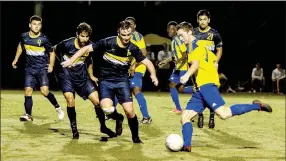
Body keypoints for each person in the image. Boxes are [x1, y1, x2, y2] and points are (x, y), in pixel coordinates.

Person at [177, 22, 272, 152]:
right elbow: (212, 61)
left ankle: (257, 106)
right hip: (201, 87)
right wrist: (214, 66)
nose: (180, 39)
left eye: (181, 35)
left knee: (224, 113)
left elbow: (196, 64)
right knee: (185, 118)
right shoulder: (201, 45)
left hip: (206, 85)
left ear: (189, 32)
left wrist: (186, 75)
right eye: (178, 36)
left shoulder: (193, 47)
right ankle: (187, 145)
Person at [61, 20, 158, 143]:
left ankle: (136, 138)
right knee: (107, 109)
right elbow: (85, 49)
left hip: (122, 81)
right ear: (118, 33)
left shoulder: (133, 48)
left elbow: (148, 62)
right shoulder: (108, 42)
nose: (126, 37)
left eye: (129, 34)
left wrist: (153, 75)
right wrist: (71, 61)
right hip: (106, 81)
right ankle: (119, 118)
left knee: (129, 111)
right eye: (123, 35)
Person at [54, 22, 116, 139]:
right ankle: (74, 131)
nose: (85, 39)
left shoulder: (90, 46)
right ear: (77, 34)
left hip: (82, 77)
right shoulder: (67, 44)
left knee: (98, 102)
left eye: (87, 36)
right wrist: (56, 67)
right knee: (70, 99)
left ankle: (103, 127)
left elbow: (89, 60)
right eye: (82, 36)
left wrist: (91, 75)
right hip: (67, 77)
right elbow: (53, 50)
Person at [12, 15, 64, 122]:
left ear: (41, 26)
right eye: (34, 24)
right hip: (30, 69)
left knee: (44, 92)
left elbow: (52, 53)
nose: (37, 26)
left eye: (39, 24)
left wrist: (51, 65)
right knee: (27, 91)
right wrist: (16, 59)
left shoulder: (44, 39)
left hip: (42, 68)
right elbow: (21, 46)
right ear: (30, 25)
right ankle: (28, 115)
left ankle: (58, 107)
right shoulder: (24, 36)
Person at [194, 9, 223, 129]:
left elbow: (219, 50)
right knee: (198, 90)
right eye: (200, 19)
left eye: (205, 19)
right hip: (198, 68)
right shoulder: (193, 33)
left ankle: (212, 116)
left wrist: (215, 61)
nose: (202, 22)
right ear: (197, 20)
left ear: (209, 20)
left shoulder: (214, 34)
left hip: (210, 67)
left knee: (212, 91)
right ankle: (200, 115)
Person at [158, 21, 193, 114]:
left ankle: (198, 90)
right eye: (169, 29)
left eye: (173, 29)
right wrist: (166, 61)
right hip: (178, 67)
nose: (171, 31)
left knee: (179, 88)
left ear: (177, 30)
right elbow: (176, 55)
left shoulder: (178, 39)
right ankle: (178, 108)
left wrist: (178, 61)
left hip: (182, 67)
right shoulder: (173, 41)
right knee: (172, 85)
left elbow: (185, 54)